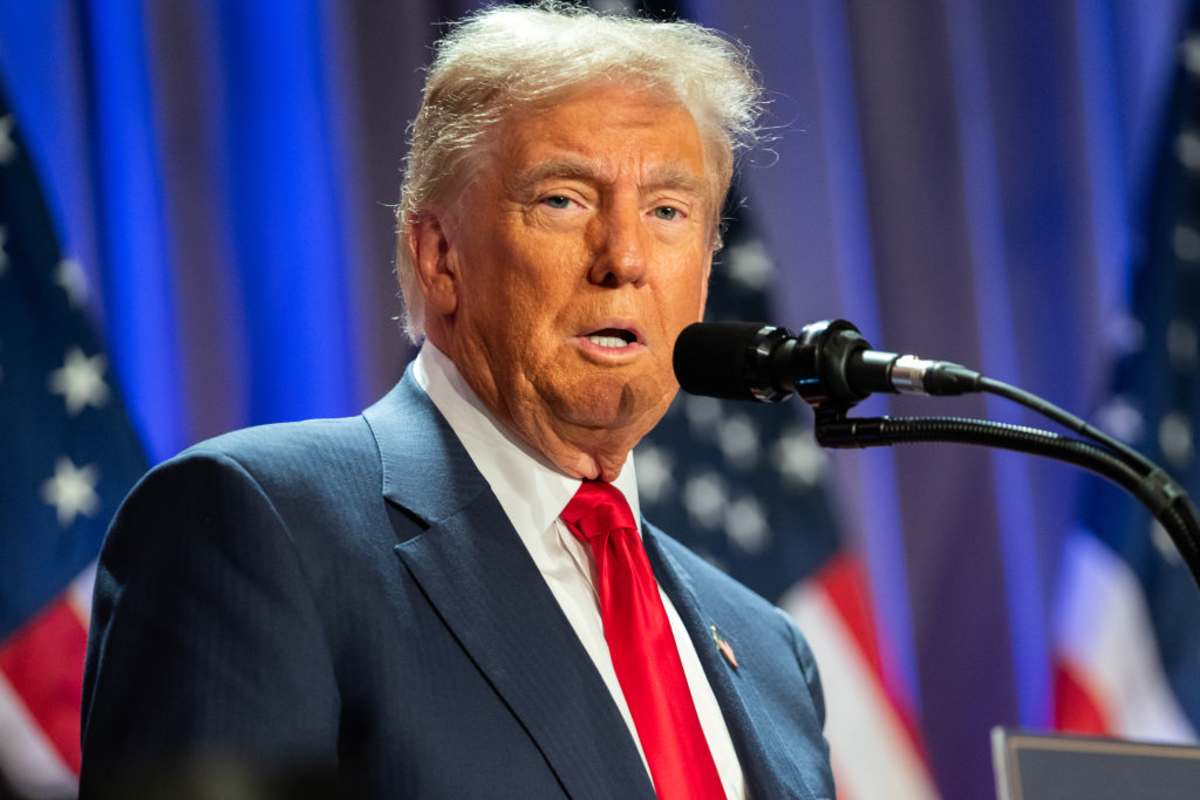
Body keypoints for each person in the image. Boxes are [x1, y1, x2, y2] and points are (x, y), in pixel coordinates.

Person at [79, 4, 835, 799]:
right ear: (439, 257)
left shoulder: (770, 653)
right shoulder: (256, 528)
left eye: (668, 212)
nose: (624, 257)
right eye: (564, 200)